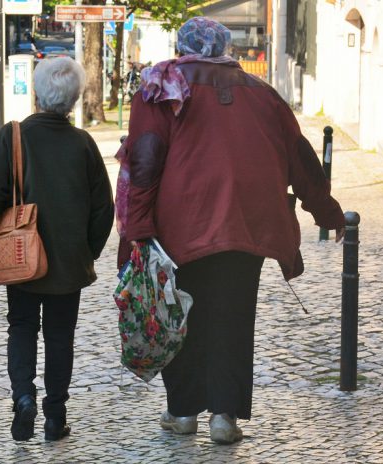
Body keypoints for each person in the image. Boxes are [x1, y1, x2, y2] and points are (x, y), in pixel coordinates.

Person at [117, 17, 345, 445]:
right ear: (224, 47)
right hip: (247, 224)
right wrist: (326, 211)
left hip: (180, 227)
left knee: (177, 314)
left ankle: (183, 412)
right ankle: (224, 417)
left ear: (183, 44)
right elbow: (300, 156)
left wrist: (138, 227)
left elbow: (145, 160)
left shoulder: (160, 88)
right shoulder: (263, 94)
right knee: (234, 318)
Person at [0, 56, 114, 442]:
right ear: (73, 99)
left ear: (37, 92)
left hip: (20, 254)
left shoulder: (13, 135)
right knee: (59, 335)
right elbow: (104, 206)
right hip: (68, 258)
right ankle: (55, 416)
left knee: (21, 327)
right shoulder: (83, 143)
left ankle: (23, 398)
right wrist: (88, 249)